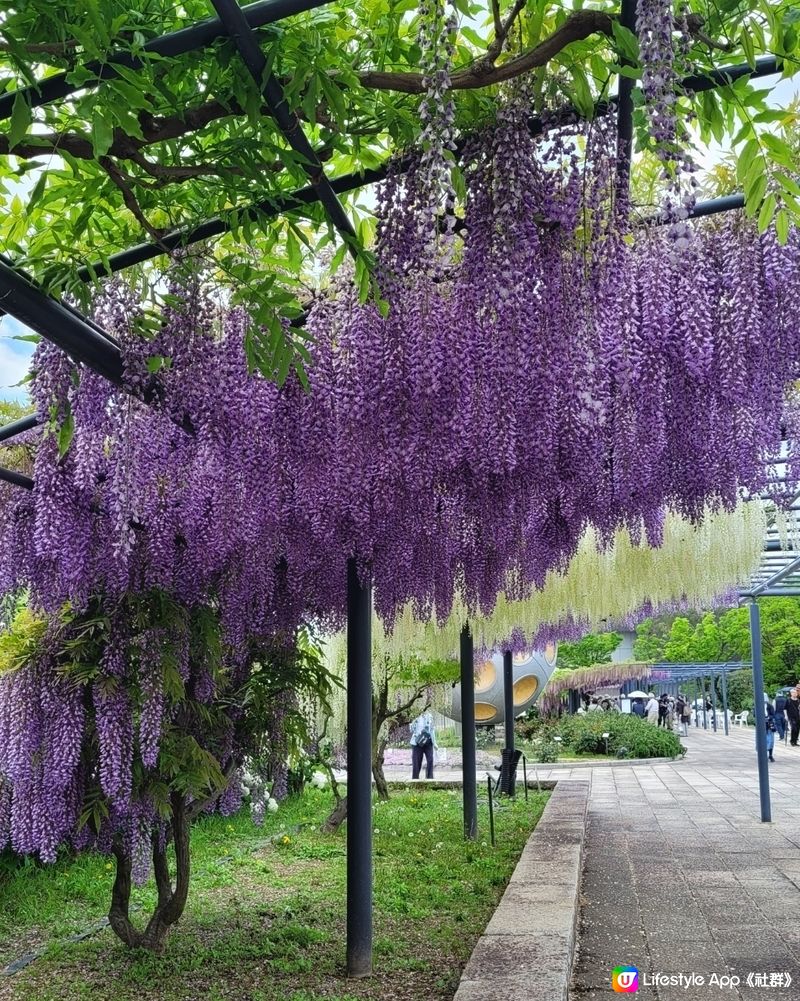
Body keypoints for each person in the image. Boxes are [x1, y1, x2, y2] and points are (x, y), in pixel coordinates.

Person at [410, 710, 437, 779]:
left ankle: (430, 777)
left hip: (428, 741)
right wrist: (413, 722)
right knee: (416, 762)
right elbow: (411, 729)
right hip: (417, 742)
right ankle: (415, 779)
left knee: (430, 759)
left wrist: (434, 743)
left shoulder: (429, 716)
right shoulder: (415, 716)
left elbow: (432, 729)